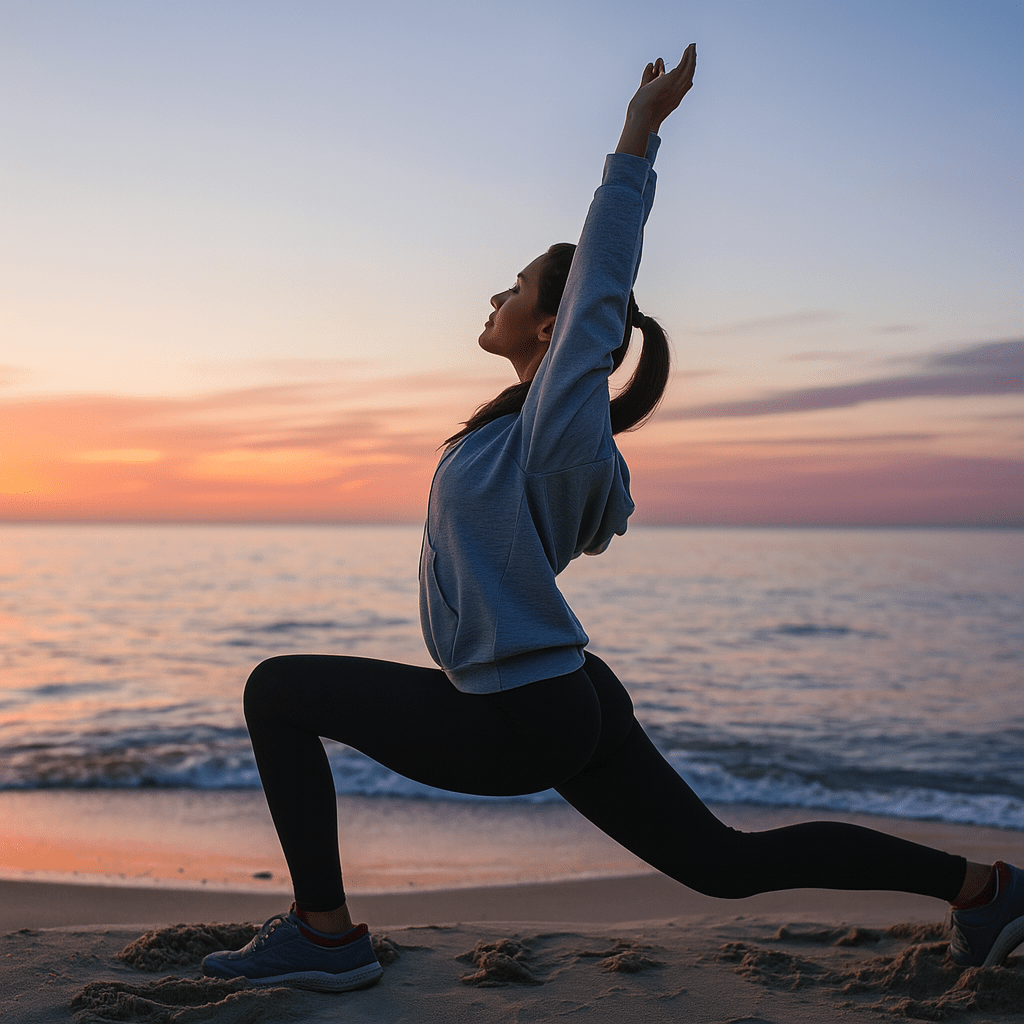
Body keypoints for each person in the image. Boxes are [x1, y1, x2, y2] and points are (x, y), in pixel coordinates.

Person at [202, 45, 1023, 991]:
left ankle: (325, 934)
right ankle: (986, 888)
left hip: (521, 712)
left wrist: (637, 136)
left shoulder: (559, 422)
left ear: (553, 328)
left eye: (514, 288)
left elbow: (598, 287)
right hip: (560, 695)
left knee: (278, 689)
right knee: (724, 866)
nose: (496, 296)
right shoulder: (518, 431)